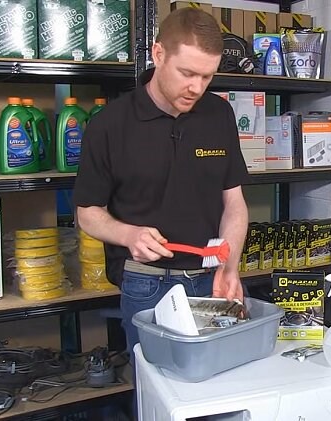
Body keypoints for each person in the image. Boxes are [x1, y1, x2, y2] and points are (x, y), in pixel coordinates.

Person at [72, 7, 250, 358]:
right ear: (158, 54)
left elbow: (234, 203)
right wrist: (128, 235)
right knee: (156, 389)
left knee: (212, 386)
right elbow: (87, 213)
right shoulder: (109, 125)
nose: (196, 87)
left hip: (209, 278)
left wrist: (230, 267)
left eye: (207, 76)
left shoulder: (219, 114)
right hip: (145, 282)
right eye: (187, 73)